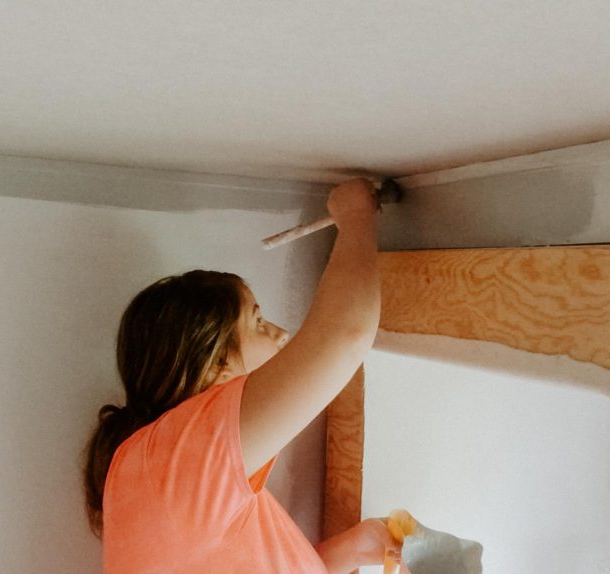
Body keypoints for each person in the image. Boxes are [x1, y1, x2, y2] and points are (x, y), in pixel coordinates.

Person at [82, 178, 405, 573]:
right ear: (214, 362)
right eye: (258, 322)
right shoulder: (176, 463)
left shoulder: (171, 469)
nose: (280, 334)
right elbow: (345, 336)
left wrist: (354, 549)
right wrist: (355, 216)